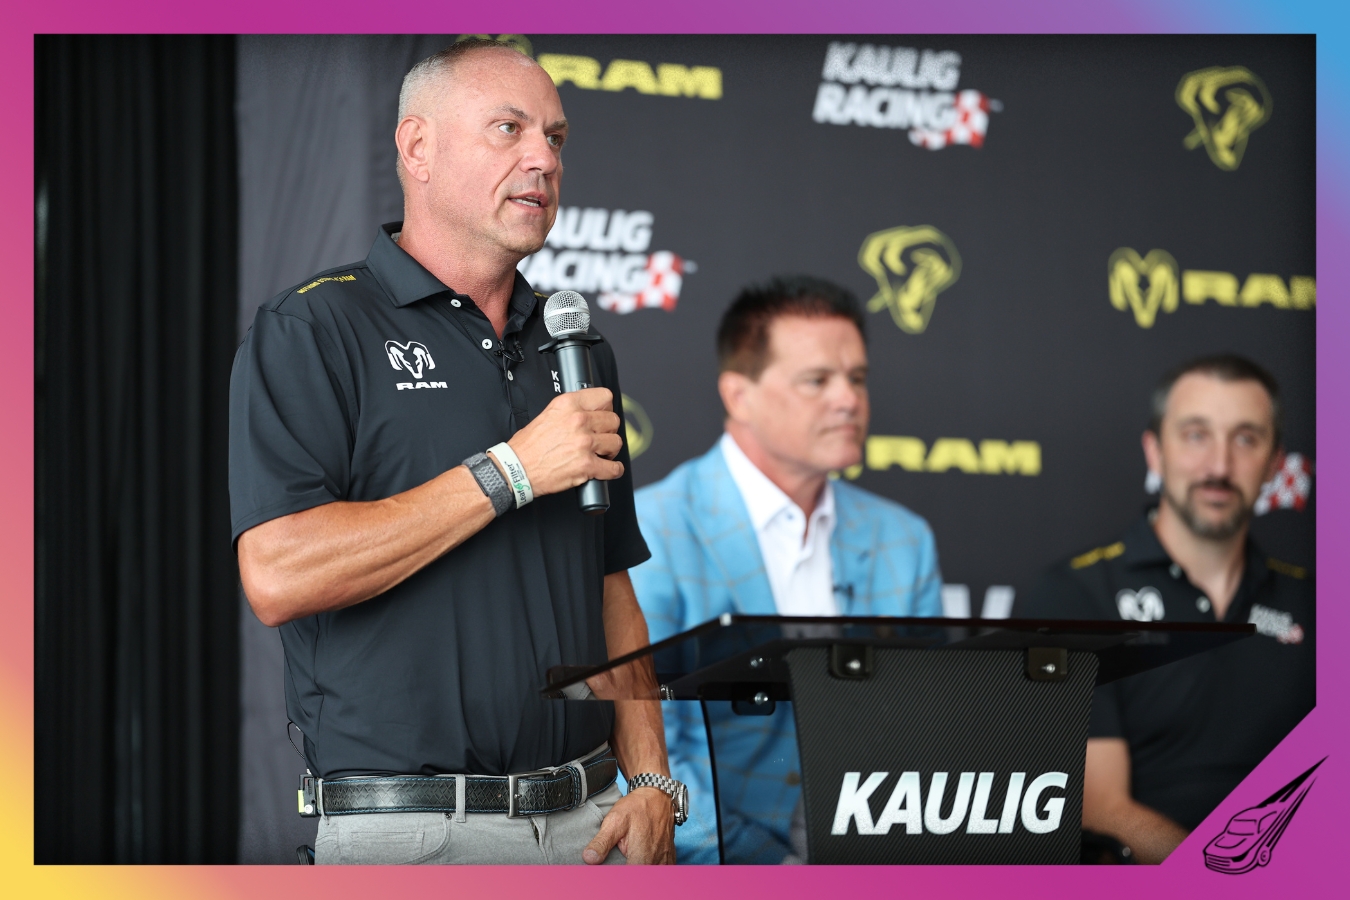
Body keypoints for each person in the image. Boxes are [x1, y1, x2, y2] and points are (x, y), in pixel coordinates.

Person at [228, 40, 683, 865]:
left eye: (555, 137)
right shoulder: (315, 329)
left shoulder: (574, 346)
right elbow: (279, 573)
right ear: (418, 148)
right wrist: (512, 470)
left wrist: (651, 779)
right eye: (508, 129)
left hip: (592, 823)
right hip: (411, 835)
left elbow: (609, 584)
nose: (543, 157)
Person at [628, 276, 943, 864]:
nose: (848, 399)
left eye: (857, 379)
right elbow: (644, 756)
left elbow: (922, 730)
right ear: (738, 395)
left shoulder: (904, 540)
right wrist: (772, 869)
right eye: (817, 381)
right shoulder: (654, 528)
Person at [1014, 354, 1314, 864]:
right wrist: (1222, 881)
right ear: (1155, 452)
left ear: (1273, 462)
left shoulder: (1320, 603)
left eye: (1245, 439)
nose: (1218, 466)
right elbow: (1099, 805)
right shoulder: (1075, 594)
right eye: (1196, 435)